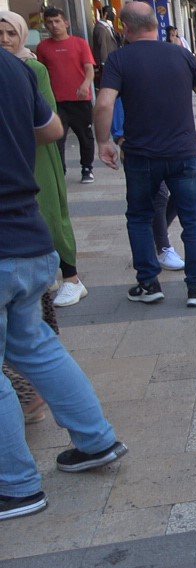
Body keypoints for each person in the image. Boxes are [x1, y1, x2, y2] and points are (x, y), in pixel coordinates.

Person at [0, 47, 128, 522]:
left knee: (30, 348)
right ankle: (95, 439)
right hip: (28, 233)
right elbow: (52, 129)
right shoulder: (13, 65)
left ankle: (16, 487)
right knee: (34, 345)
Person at [93, 2, 196, 307]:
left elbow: (104, 104)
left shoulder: (119, 59)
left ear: (124, 29)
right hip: (183, 153)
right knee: (192, 219)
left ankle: (148, 284)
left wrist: (103, 141)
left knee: (140, 217)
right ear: (156, 25)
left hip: (141, 155)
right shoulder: (182, 55)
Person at [0, 11, 89, 308]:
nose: (4, 39)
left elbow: (49, 119)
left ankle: (72, 278)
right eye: (0, 33)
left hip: (37, 152)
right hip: (13, 157)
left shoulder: (33, 68)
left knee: (51, 212)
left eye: (11, 33)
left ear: (22, 35)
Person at [110, 98, 185, 272]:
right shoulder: (127, 72)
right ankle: (161, 247)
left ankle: (153, 238)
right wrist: (121, 139)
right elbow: (114, 102)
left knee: (181, 192)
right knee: (159, 195)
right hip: (140, 146)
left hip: (172, 142)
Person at [36, 7, 97, 183]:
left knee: (85, 136)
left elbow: (89, 69)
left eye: (57, 21)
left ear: (66, 23)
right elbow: (42, 72)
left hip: (80, 100)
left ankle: (87, 168)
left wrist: (85, 85)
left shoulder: (80, 43)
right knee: (57, 139)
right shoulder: (43, 47)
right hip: (56, 101)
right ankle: (59, 171)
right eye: (49, 22)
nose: (54, 25)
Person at [91, 5, 121, 87]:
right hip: (107, 62)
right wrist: (104, 63)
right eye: (113, 13)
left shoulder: (108, 26)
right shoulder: (101, 28)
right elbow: (102, 46)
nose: (114, 16)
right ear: (106, 14)